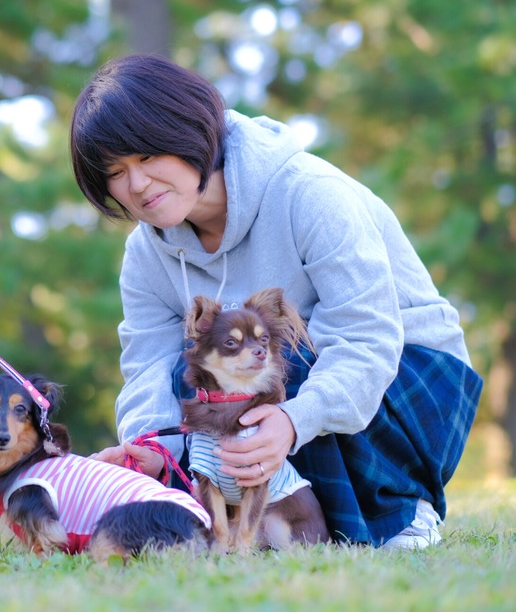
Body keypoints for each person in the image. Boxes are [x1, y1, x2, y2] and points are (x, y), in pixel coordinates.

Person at [69, 54, 482, 550]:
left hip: (409, 374)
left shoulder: (312, 194)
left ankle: (400, 508)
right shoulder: (145, 252)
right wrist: (154, 450)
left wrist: (292, 421)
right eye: (116, 172)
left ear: (189, 131)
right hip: (287, 376)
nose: (136, 185)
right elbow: (146, 367)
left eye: (146, 157)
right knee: (203, 367)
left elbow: (367, 339)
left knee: (271, 355)